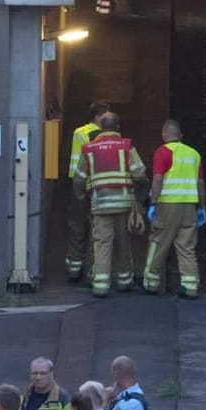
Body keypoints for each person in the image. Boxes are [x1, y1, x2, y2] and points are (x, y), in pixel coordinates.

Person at [77, 112, 146, 297]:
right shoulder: (126, 146)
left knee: (102, 244)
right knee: (123, 243)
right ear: (117, 127)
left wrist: (81, 195)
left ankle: (100, 285)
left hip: (100, 204)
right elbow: (139, 173)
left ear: (101, 128)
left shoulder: (89, 149)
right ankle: (124, 281)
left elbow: (79, 177)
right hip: (123, 203)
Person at [143, 118, 205, 298]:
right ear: (181, 136)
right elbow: (201, 183)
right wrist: (202, 207)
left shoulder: (162, 152)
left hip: (169, 205)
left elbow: (157, 180)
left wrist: (153, 203)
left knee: (159, 241)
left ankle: (151, 282)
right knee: (186, 246)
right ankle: (190, 286)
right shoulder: (194, 154)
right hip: (189, 206)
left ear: (164, 135)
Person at [64, 102, 110, 285]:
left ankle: (74, 270)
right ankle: (93, 271)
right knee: (96, 229)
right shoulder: (99, 135)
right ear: (98, 117)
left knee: (77, 227)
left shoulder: (78, 132)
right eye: (105, 117)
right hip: (95, 185)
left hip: (77, 184)